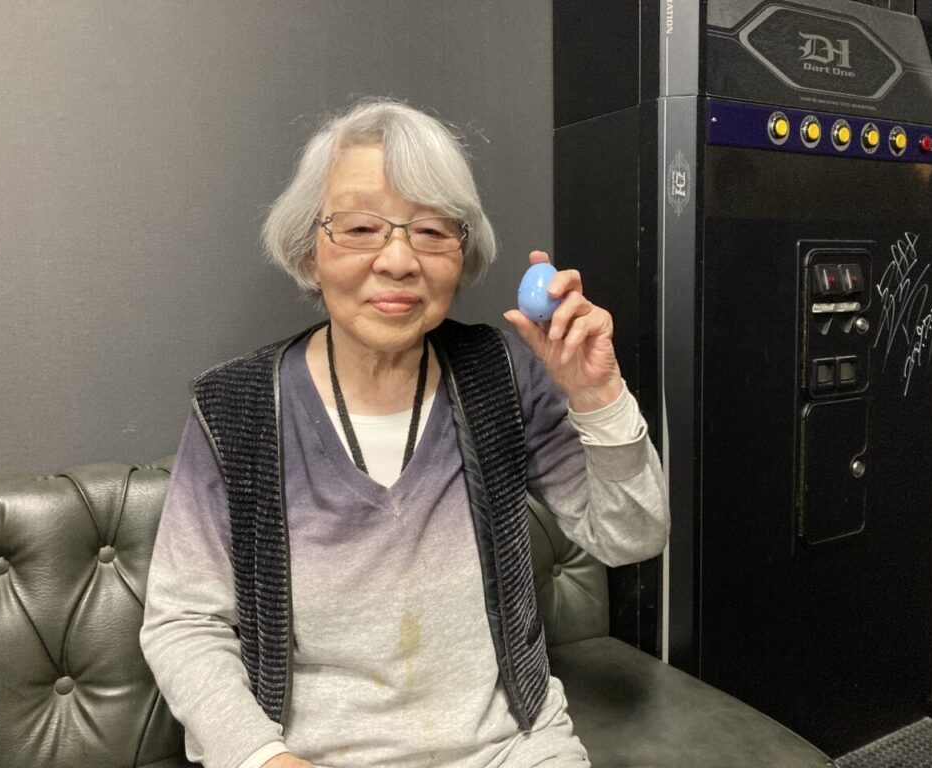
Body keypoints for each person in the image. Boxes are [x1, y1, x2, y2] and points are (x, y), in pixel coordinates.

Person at [140, 98, 668, 768]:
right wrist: (260, 757)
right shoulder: (235, 408)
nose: (398, 260)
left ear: (461, 254)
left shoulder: (502, 376)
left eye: (431, 231)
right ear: (309, 250)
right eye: (361, 227)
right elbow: (184, 622)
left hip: (512, 751)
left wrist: (597, 397)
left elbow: (632, 538)